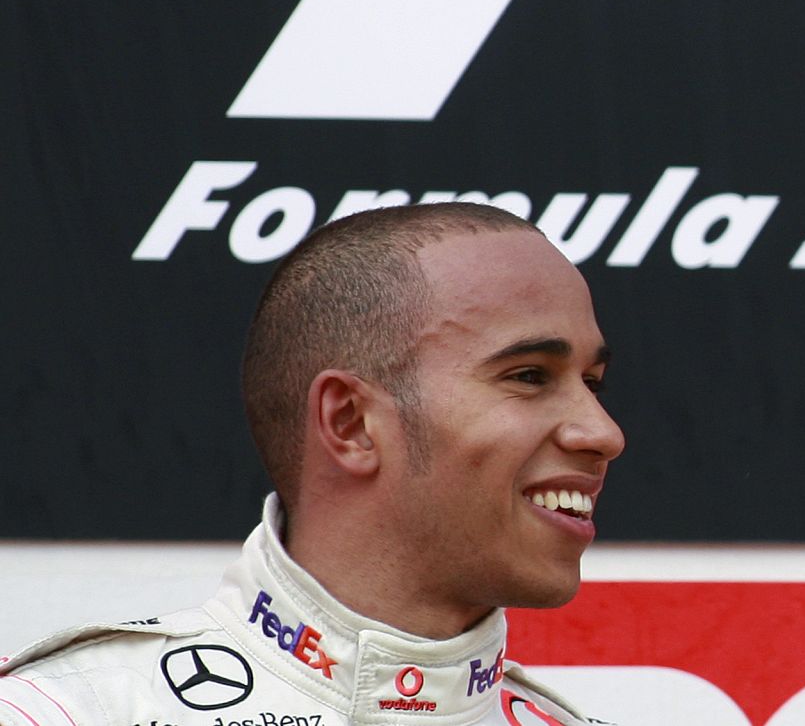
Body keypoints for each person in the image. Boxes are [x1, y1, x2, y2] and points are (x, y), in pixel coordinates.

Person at [0, 203, 625, 726]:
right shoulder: (64, 713)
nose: (603, 432)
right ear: (350, 423)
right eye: (528, 376)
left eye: (592, 382)